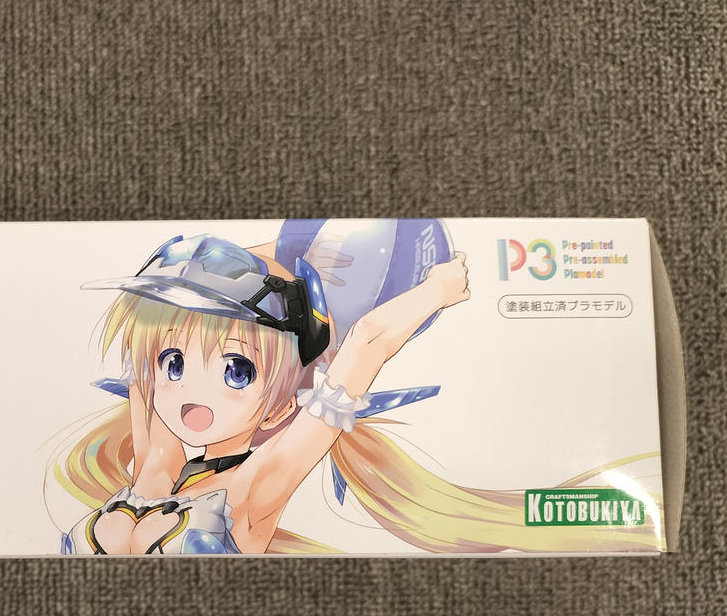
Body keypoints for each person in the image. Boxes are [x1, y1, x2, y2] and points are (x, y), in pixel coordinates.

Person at [49, 229, 660, 555]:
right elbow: (150, 349)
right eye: (174, 362)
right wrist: (279, 252)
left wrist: (439, 289)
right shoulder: (155, 464)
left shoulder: (252, 491)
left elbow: (366, 339)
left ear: (284, 398)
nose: (191, 391)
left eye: (237, 370)